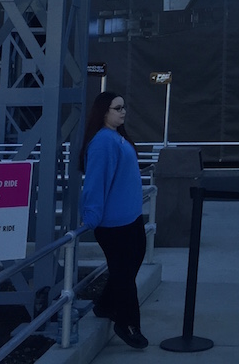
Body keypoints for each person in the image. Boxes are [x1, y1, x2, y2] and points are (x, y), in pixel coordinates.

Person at [80, 91, 148, 349]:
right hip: (114, 225)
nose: (123, 112)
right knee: (124, 275)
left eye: (123, 107)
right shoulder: (102, 142)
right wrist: (92, 216)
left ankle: (106, 305)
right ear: (104, 112)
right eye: (117, 108)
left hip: (130, 219)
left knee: (127, 269)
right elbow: (95, 182)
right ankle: (128, 323)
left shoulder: (117, 138)